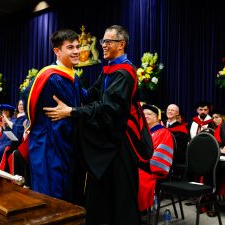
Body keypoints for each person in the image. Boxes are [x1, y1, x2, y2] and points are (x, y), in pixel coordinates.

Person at [43, 25, 142, 225]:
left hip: (122, 144)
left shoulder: (124, 73)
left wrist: (71, 111)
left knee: (121, 199)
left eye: (108, 41)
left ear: (121, 45)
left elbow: (107, 108)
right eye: (103, 41)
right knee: (101, 195)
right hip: (109, 142)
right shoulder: (110, 70)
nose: (103, 45)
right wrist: (70, 82)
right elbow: (90, 95)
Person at [25, 29, 83, 204]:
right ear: (57, 51)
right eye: (70, 47)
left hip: (63, 143)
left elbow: (82, 98)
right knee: (51, 198)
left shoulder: (72, 76)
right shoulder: (52, 78)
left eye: (78, 46)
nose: (76, 51)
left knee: (64, 196)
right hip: (50, 145)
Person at [138, 104, 174, 212]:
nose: (146, 116)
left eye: (149, 114)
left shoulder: (164, 133)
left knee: (135, 176)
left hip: (153, 170)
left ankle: (136, 210)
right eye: (143, 114)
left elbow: (160, 162)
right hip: (141, 166)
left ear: (157, 118)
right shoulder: (142, 132)